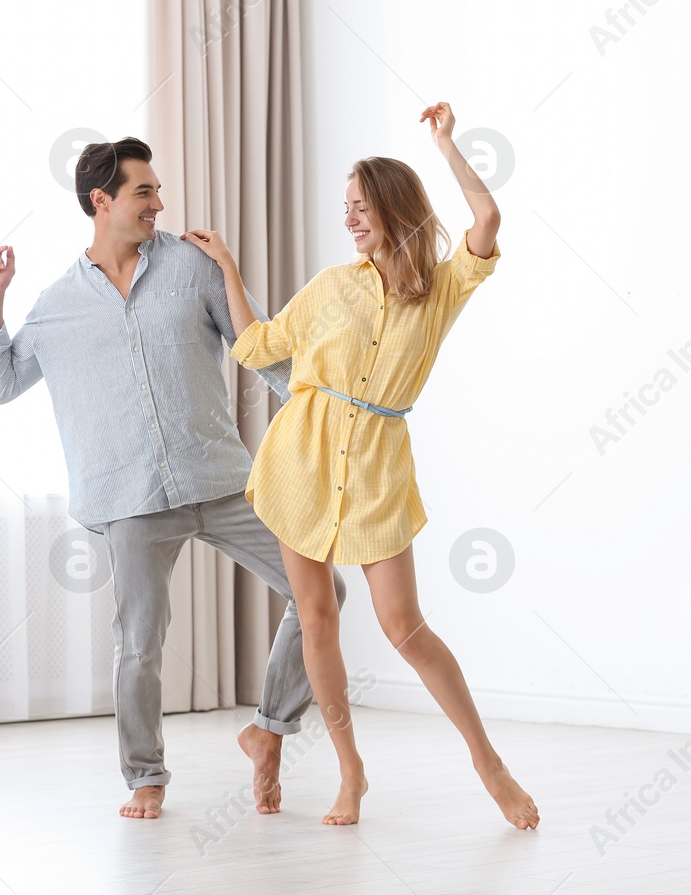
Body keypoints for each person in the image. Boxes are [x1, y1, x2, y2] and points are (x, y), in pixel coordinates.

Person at [180, 102, 539, 829]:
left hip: (377, 468)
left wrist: (446, 144)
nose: (349, 219)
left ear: (392, 207)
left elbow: (488, 218)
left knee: (404, 626)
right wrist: (227, 267)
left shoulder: (439, 287)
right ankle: (351, 772)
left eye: (360, 206)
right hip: (300, 462)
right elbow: (255, 346)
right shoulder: (328, 286)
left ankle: (487, 760)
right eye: (344, 207)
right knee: (316, 620)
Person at [0, 136, 346, 821]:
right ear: (100, 200)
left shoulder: (194, 268)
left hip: (224, 478)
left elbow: (261, 353)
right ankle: (145, 777)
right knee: (138, 643)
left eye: (156, 191)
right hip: (130, 498)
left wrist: (327, 413)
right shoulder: (57, 304)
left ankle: (268, 726)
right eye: (145, 192)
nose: (160, 204)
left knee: (324, 590)